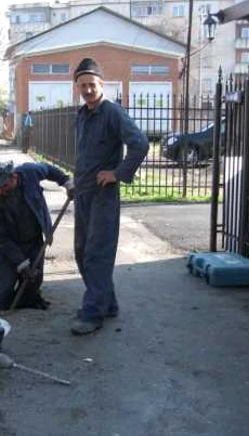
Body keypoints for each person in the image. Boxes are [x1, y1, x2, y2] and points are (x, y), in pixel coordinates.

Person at [70, 57, 150, 335]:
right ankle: (108, 303)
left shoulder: (112, 113)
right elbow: (84, 154)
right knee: (81, 252)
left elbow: (139, 144)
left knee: (96, 254)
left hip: (103, 197)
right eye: (83, 85)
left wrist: (117, 173)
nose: (88, 90)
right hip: (82, 194)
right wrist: (74, 180)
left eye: (92, 84)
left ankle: (92, 313)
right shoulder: (81, 115)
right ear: (77, 87)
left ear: (101, 84)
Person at [0, 160, 74, 310]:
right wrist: (21, 263)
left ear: (14, 177)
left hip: (33, 241)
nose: (1, 190)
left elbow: (48, 169)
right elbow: (2, 237)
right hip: (7, 247)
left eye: (4, 185)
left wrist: (67, 183)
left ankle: (28, 299)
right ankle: (4, 300)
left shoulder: (30, 172)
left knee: (32, 283)